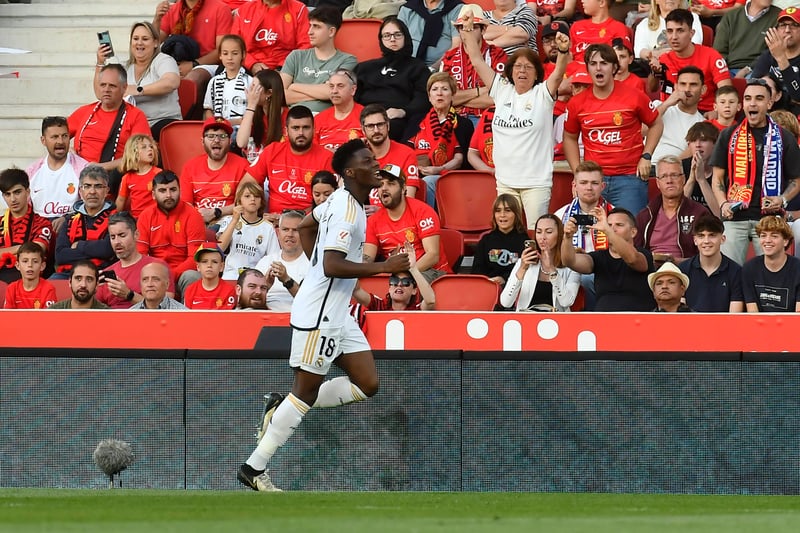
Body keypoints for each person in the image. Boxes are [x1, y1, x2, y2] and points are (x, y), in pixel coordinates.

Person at [237, 139, 411, 492]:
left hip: (337, 313)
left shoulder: (340, 201)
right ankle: (254, 467)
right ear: (350, 172)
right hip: (320, 314)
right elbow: (332, 265)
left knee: (367, 384)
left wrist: (315, 266)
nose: (376, 165)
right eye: (368, 161)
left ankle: (282, 405)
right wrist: (384, 266)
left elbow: (305, 226)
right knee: (304, 394)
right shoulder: (347, 210)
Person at [461, 25, 569, 226]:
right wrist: (467, 32)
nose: (522, 71)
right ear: (510, 71)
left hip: (535, 183)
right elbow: (476, 60)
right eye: (518, 66)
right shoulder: (501, 90)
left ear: (537, 74)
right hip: (505, 182)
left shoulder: (543, 94)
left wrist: (563, 51)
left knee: (536, 234)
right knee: (508, 234)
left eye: (528, 67)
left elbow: (558, 73)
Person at [564, 43, 663, 215]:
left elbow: (656, 123)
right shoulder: (576, 103)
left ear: (614, 67)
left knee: (629, 228)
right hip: (594, 180)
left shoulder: (634, 95)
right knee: (592, 230)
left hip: (630, 179)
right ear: (587, 68)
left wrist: (646, 156)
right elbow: (569, 137)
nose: (598, 68)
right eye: (593, 64)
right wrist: (578, 174)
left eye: (604, 63)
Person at [711, 78, 800, 265]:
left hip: (770, 218)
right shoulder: (728, 135)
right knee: (729, 272)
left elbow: (796, 180)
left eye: (759, 98)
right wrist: (723, 204)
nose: (752, 103)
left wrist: (782, 199)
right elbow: (717, 178)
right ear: (742, 103)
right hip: (735, 217)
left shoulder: (785, 137)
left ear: (769, 103)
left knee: (771, 273)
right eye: (748, 98)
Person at [364, 164, 451, 283]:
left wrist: (404, 276)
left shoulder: (423, 211)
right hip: (395, 276)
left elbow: (432, 256)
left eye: (391, 183)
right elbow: (367, 257)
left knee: (404, 287)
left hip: (430, 272)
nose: (384, 188)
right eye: (380, 184)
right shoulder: (373, 220)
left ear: (403, 188)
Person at [69, 64, 151, 188]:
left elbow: (140, 155)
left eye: (112, 86)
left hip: (112, 179)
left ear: (124, 88)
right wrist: (68, 150)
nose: (106, 89)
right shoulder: (85, 111)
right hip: (77, 175)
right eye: (103, 85)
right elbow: (55, 136)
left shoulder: (136, 116)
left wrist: (101, 167)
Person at [561, 207, 656, 311]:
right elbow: (569, 261)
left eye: (619, 225)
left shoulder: (644, 254)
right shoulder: (598, 257)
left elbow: (632, 259)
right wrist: (567, 237)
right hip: (603, 318)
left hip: (638, 318)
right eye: (609, 225)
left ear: (633, 232)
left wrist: (608, 230)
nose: (612, 229)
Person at [245, 106, 334, 218]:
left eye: (306, 127)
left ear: (313, 129)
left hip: (309, 221)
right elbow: (246, 183)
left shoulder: (327, 158)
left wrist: (290, 218)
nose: (301, 133)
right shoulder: (272, 151)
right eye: (295, 128)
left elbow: (332, 200)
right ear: (286, 131)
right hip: (272, 221)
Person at [353, 16, 432, 142]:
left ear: (405, 37)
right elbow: (351, 95)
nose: (392, 39)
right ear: (381, 39)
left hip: (396, 119)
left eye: (397, 34)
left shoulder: (417, 67)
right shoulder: (364, 68)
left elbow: (423, 98)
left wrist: (403, 111)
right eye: (387, 35)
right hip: (363, 117)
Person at [554, 161, 615, 310]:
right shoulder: (560, 216)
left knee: (588, 278)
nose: (589, 187)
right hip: (567, 271)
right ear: (574, 185)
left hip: (603, 271)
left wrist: (607, 229)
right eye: (583, 183)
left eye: (594, 183)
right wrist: (567, 242)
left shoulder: (613, 215)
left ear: (602, 186)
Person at [410, 72, 473, 209]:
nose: (439, 93)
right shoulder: (416, 120)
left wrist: (439, 169)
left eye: (444, 89)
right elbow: (406, 152)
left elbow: (459, 159)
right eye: (435, 89)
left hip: (447, 175)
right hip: (415, 171)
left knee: (428, 181)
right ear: (429, 96)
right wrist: (416, 168)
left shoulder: (462, 124)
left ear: (453, 95)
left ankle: (427, 218)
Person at [136, 170, 206, 294]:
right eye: (162, 191)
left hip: (182, 275)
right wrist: (157, 276)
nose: (168, 195)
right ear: (153, 194)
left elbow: (195, 258)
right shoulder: (145, 216)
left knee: (192, 276)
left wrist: (170, 276)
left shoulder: (193, 215)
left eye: (173, 190)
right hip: (154, 274)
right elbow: (140, 255)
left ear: (180, 191)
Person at [279, 7, 357, 114]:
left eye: (316, 27)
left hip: (327, 118)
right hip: (296, 118)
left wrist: (294, 87)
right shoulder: (296, 56)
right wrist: (321, 93)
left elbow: (333, 92)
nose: (310, 32)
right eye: (310, 26)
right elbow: (279, 95)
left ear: (331, 32)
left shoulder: (347, 60)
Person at [111, 21, 181, 140]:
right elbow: (103, 92)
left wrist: (139, 90)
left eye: (145, 39)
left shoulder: (164, 60)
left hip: (162, 122)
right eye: (135, 39)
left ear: (155, 43)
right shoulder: (126, 67)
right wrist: (100, 63)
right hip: (134, 125)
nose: (139, 43)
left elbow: (172, 82)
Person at [635, 156, 710, 265]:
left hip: (686, 270)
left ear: (683, 179)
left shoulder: (699, 213)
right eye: (664, 176)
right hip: (652, 270)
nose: (669, 181)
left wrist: (676, 262)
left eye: (674, 175)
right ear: (658, 183)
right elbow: (636, 253)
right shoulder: (645, 216)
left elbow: (708, 256)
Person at [440, 6, 508, 127]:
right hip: (455, 118)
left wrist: (460, 99)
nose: (468, 32)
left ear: (483, 30)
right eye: (462, 27)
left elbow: (498, 97)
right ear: (458, 30)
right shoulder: (449, 57)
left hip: (487, 118)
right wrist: (479, 91)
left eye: (473, 27)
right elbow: (445, 98)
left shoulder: (498, 54)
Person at [655, 9, 732, 114]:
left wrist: (717, 112)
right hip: (673, 113)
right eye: (670, 31)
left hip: (705, 113)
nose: (674, 37)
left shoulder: (712, 56)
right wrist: (654, 72)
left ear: (691, 33)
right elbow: (652, 89)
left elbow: (727, 91)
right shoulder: (663, 59)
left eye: (680, 31)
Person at [500, 214, 581, 312]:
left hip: (556, 319)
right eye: (539, 232)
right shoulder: (525, 261)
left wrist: (552, 270)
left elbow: (566, 302)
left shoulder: (572, 265)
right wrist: (522, 269)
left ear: (559, 234)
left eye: (549, 232)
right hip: (527, 317)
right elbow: (506, 302)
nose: (542, 237)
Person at [95, 211, 176, 309]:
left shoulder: (157, 267)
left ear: (136, 235)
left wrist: (129, 295)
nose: (117, 242)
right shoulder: (106, 274)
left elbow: (167, 308)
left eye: (122, 235)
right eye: (113, 237)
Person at [180, 117, 251, 224]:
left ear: (230, 141)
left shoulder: (243, 166)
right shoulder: (190, 167)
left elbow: (248, 203)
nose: (217, 140)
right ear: (202, 141)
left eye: (222, 136)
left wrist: (216, 212)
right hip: (199, 223)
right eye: (211, 136)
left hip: (232, 223)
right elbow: (186, 205)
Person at [153, 0, 233, 91]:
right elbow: (154, 42)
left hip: (208, 64)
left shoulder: (220, 8)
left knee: (193, 78)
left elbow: (222, 50)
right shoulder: (172, 9)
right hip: (177, 62)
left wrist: (194, 64)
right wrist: (157, 19)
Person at [53, 166, 116, 278]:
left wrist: (79, 245)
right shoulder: (70, 219)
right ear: (80, 191)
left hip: (101, 273)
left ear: (106, 191)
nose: (92, 192)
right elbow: (60, 255)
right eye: (87, 186)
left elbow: (107, 249)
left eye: (98, 186)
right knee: (52, 283)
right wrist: (95, 251)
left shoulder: (116, 218)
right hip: (69, 274)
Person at [26, 116, 88, 227]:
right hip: (38, 228)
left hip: (72, 226)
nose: (60, 141)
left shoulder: (83, 169)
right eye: (54, 137)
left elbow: (89, 207)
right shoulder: (32, 172)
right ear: (43, 140)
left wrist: (67, 219)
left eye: (65, 136)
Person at [678, 212, 744, 312]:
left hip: (724, 322)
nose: (706, 241)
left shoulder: (736, 271)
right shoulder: (683, 269)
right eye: (701, 236)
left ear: (722, 239)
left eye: (712, 235)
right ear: (695, 240)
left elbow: (734, 316)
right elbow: (680, 313)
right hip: (690, 322)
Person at [216, 180, 279, 280]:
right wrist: (234, 220)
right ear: (239, 201)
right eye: (247, 196)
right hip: (231, 275)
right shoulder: (229, 220)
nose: (253, 199)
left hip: (255, 279)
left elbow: (273, 258)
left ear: (261, 202)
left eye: (257, 196)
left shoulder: (268, 227)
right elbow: (220, 248)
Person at [0, 169, 53, 284]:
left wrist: (3, 252)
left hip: (27, 279)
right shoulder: (0, 222)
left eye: (17, 192)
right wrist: (21, 248)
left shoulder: (42, 223)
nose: (13, 199)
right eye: (8, 194)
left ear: (28, 192)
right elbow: (28, 250)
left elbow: (36, 251)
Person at [360, 104, 422, 200]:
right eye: (370, 126)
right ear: (363, 130)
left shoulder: (406, 154)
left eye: (380, 124)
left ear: (388, 126)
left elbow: (409, 199)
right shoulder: (358, 156)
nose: (376, 130)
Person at [231, 0, 310, 73]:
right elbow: (233, 45)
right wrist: (252, 64)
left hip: (287, 69)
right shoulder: (244, 10)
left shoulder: (299, 9)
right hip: (248, 68)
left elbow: (306, 45)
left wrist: (286, 68)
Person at [742, 214, 800, 311]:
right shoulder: (749, 268)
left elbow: (798, 314)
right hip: (758, 321)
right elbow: (752, 311)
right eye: (763, 236)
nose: (767, 240)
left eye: (774, 236)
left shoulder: (797, 268)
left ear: (785, 241)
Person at [254, 209, 309, 311]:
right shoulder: (265, 262)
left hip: (299, 316)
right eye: (285, 229)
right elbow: (250, 302)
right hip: (266, 316)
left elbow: (310, 303)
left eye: (295, 230)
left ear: (304, 234)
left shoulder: (312, 263)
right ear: (278, 233)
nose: (290, 234)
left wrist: (286, 279)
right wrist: (266, 287)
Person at [352, 244, 436, 311]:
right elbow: (356, 290)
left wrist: (413, 269)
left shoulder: (416, 310)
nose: (399, 285)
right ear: (389, 288)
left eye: (406, 282)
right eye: (394, 281)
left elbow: (430, 301)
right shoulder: (379, 306)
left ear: (414, 290)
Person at [652, 66, 705, 168]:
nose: (687, 89)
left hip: (673, 171)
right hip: (644, 166)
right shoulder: (657, 106)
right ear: (675, 87)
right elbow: (642, 130)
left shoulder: (702, 124)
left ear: (703, 90)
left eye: (693, 85)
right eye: (683, 84)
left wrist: (668, 168)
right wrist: (666, 104)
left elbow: (692, 152)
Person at [471, 194, 528, 288]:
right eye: (498, 211)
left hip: (515, 287)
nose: (502, 215)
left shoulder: (525, 241)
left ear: (516, 214)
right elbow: (477, 270)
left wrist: (504, 279)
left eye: (508, 210)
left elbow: (527, 271)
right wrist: (488, 281)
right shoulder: (486, 240)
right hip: (488, 287)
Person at [713, 0, 779, 77]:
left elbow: (773, 52)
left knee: (757, 81)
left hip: (759, 69)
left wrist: (747, 69)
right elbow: (719, 51)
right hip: (728, 68)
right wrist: (723, 72)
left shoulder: (779, 17)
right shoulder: (731, 15)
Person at [752, 7, 800, 108]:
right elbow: (753, 88)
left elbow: (798, 96)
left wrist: (781, 58)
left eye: (794, 25)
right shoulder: (768, 55)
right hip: (770, 110)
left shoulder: (776, 54)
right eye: (783, 25)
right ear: (776, 30)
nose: (787, 30)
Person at [234, 69, 286, 161]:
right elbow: (241, 143)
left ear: (269, 93)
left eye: (254, 87)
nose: (250, 91)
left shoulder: (288, 117)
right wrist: (250, 106)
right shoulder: (253, 113)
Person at [203, 34, 253, 127]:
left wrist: (232, 122)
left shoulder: (250, 82)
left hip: (242, 130)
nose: (230, 58)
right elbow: (208, 109)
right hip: (219, 130)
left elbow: (253, 112)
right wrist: (215, 123)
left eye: (235, 53)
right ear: (220, 55)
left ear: (243, 55)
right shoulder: (214, 81)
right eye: (225, 53)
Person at [398, 0, 463, 68]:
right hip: (408, 66)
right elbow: (398, 40)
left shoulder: (457, 8)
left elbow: (456, 46)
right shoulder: (407, 9)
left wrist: (433, 69)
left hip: (444, 67)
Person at [635, 0, 703, 64]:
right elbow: (639, 51)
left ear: (680, 1)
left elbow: (695, 43)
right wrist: (655, 54)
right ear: (656, 1)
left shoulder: (691, 17)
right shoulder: (644, 24)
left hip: (685, 65)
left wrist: (666, 55)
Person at [314, 69, 364, 152]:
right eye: (331, 86)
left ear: (353, 90)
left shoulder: (365, 116)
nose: (334, 91)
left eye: (340, 86)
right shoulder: (318, 119)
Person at [115, 134, 160, 218]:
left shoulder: (158, 173)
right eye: (144, 147)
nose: (150, 149)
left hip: (155, 218)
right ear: (133, 153)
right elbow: (121, 200)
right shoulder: (127, 178)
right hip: (136, 220)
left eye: (151, 146)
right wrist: (114, 219)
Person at [183, 242, 237, 309]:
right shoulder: (190, 290)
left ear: (221, 266)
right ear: (198, 266)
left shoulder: (229, 290)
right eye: (204, 261)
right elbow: (187, 314)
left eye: (214, 262)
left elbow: (227, 315)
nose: (209, 265)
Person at [2, 241, 56, 309]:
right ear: (17, 265)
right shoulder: (11, 289)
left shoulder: (48, 289)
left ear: (42, 266)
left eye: (35, 261)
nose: (30, 265)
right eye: (25, 261)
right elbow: (7, 315)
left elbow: (49, 315)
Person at [682, 121, 721, 213]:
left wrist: (701, 180)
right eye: (693, 141)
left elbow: (720, 214)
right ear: (689, 145)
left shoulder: (722, 169)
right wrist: (691, 179)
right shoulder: (681, 167)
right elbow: (676, 211)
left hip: (713, 221)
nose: (698, 145)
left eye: (703, 140)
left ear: (715, 143)